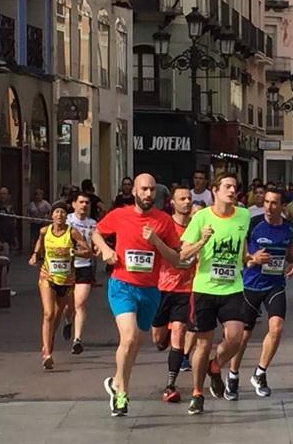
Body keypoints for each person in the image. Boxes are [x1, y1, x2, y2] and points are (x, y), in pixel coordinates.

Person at [92, 173, 183, 417]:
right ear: (134, 191)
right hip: (122, 285)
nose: (148, 194)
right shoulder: (120, 215)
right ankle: (122, 392)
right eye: (143, 189)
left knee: (134, 344)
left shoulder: (163, 221)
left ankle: (116, 382)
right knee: (130, 337)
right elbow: (96, 232)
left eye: (152, 190)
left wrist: (156, 241)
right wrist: (105, 249)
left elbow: (176, 259)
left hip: (150, 290)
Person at [180, 173, 249, 415]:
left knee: (236, 337)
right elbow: (183, 253)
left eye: (234, 187)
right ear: (215, 190)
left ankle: (215, 365)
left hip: (232, 287)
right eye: (227, 186)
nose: (232, 190)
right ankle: (197, 393)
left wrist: (250, 258)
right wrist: (202, 240)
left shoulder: (244, 215)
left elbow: (241, 247)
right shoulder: (201, 217)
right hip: (204, 289)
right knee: (203, 344)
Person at [227, 188, 293, 400]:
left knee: (277, 328)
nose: (269, 207)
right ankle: (233, 375)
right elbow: (240, 252)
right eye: (266, 202)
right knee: (243, 335)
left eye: (274, 203)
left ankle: (260, 373)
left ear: (282, 206)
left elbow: (290, 251)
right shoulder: (253, 223)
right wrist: (252, 258)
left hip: (275, 285)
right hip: (251, 285)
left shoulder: (288, 227)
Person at [29, 201, 91, 370]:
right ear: (52, 215)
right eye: (56, 212)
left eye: (63, 212)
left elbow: (88, 251)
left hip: (66, 280)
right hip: (47, 276)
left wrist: (75, 252)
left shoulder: (72, 232)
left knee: (56, 316)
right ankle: (47, 354)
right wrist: (35, 254)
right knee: (48, 313)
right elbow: (40, 243)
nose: (59, 215)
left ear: (66, 216)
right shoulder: (45, 231)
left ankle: (49, 340)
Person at [151, 186, 196, 403]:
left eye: (189, 198)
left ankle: (170, 385)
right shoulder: (165, 225)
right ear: (173, 203)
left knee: (179, 331)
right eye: (182, 199)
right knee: (158, 339)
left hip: (186, 289)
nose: (187, 202)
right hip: (162, 287)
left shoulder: (197, 226)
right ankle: (165, 336)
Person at [64, 192, 97, 355]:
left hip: (85, 266)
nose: (84, 205)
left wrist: (97, 249)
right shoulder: (67, 221)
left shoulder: (93, 224)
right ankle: (68, 320)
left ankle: (77, 339)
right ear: (74, 204)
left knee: (80, 303)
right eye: (81, 202)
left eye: (87, 203)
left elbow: (96, 243)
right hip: (67, 267)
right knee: (69, 305)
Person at [0, 187, 18, 256]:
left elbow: (14, 223)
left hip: (10, 240)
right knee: (2, 260)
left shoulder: (11, 209)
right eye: (0, 194)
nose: (2, 196)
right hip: (1, 240)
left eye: (4, 194)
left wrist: (15, 238)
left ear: (8, 195)